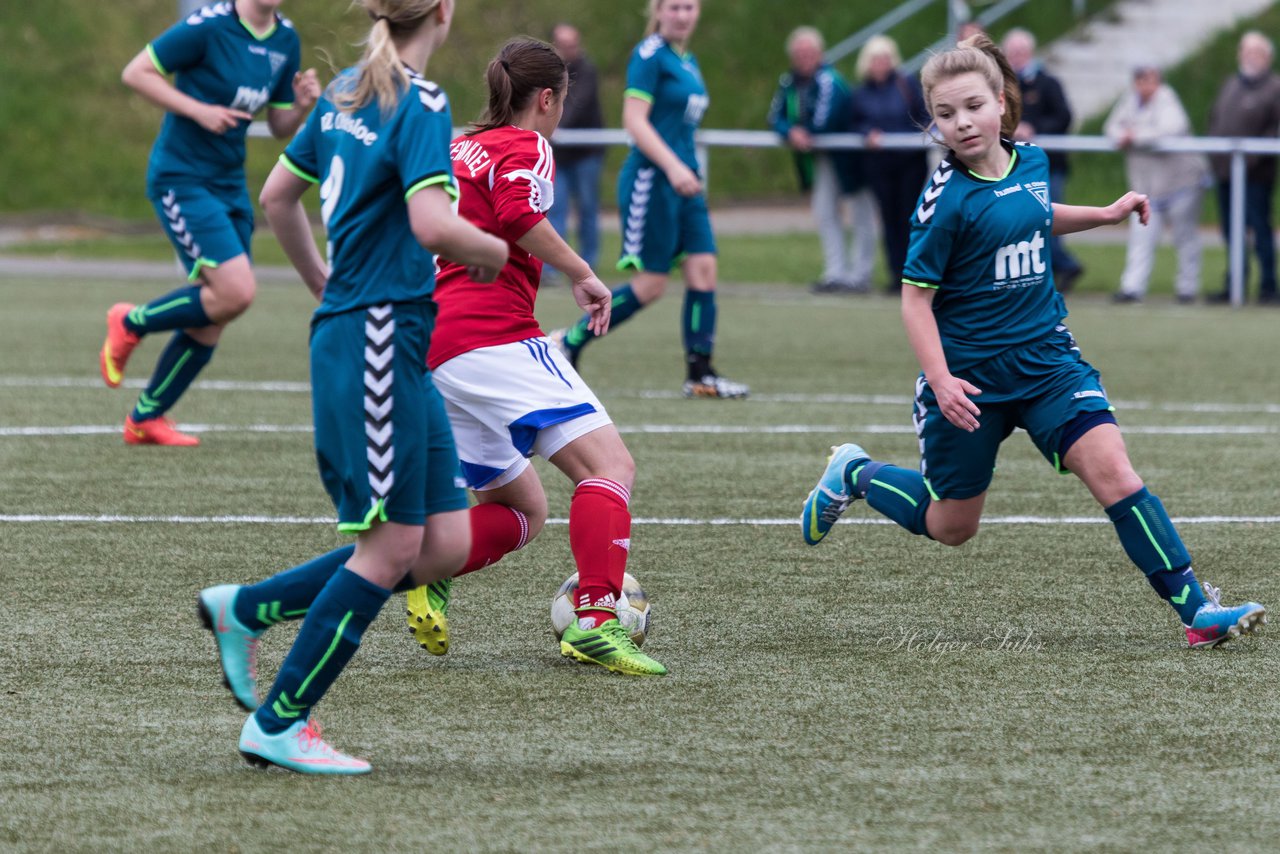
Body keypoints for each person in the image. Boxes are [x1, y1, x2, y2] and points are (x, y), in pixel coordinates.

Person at [800, 34, 1266, 650]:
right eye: (944, 114)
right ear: (934, 123)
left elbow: (1036, 212)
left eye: (971, 106)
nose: (960, 123)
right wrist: (940, 381)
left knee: (1116, 473)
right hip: (969, 378)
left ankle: (1197, 611)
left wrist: (1101, 213)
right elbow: (914, 299)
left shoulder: (1033, 160)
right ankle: (855, 472)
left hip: (1048, 361)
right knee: (951, 526)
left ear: (1000, 102)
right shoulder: (945, 199)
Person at [196, 0, 510, 774]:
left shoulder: (345, 89)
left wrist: (326, 287)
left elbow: (277, 197)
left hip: (383, 334)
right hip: (377, 333)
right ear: (443, 10)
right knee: (393, 543)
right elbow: (433, 224)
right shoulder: (420, 99)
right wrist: (490, 248)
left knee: (442, 546)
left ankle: (249, 609)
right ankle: (279, 720)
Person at [403, 37, 667, 677]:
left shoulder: (458, 145)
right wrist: (582, 271)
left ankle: (422, 570)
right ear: (546, 99)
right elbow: (520, 213)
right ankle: (600, 619)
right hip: (491, 334)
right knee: (610, 466)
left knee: (522, 510)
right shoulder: (528, 145)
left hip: (437, 346)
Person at [99, 0, 320, 446]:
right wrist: (196, 110)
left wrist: (300, 106)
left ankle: (146, 417)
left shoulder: (285, 39)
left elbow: (278, 125)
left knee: (217, 311)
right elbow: (136, 72)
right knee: (235, 291)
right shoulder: (208, 26)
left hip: (228, 183)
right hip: (181, 178)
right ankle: (131, 321)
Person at [552, 0, 748, 399]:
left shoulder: (687, 60)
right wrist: (673, 167)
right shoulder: (648, 56)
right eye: (673, 7)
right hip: (654, 179)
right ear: (657, 11)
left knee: (704, 270)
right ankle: (569, 341)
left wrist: (685, 170)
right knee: (653, 283)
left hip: (685, 181)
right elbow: (634, 121)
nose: (682, 14)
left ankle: (700, 373)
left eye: (689, 7)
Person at [768, 26, 877, 295]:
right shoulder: (788, 82)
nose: (804, 57)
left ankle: (860, 275)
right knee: (825, 212)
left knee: (861, 215)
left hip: (849, 157)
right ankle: (835, 272)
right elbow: (776, 116)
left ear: (819, 53)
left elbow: (823, 121)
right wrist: (791, 132)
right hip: (822, 159)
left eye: (809, 52)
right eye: (799, 52)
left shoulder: (831, 81)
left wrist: (805, 134)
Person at [1105, 64, 1209, 304]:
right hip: (1147, 188)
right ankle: (1132, 288)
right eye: (1140, 79)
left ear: (1158, 81)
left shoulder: (1167, 99)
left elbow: (1170, 129)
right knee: (1141, 238)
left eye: (1150, 79)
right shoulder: (1129, 101)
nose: (1145, 84)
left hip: (1181, 184)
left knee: (1184, 238)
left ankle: (1187, 288)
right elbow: (1111, 128)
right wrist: (1122, 136)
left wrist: (1134, 136)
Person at [1002, 28, 1084, 293]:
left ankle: (1064, 265)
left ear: (1030, 53)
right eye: (1011, 52)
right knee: (1025, 223)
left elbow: (1064, 117)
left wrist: (1033, 129)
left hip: (1049, 166)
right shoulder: (1003, 86)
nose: (1015, 57)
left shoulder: (1048, 83)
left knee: (1048, 219)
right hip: (1015, 166)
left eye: (1020, 52)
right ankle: (1055, 269)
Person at [850, 35, 930, 295]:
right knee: (888, 219)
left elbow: (923, 116)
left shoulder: (906, 85)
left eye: (885, 58)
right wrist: (867, 133)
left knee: (909, 218)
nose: (881, 63)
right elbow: (854, 121)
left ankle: (913, 275)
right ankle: (896, 274)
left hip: (910, 163)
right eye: (876, 59)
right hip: (880, 166)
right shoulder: (861, 93)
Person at [1207, 30, 1280, 304]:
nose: (1249, 57)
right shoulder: (1231, 84)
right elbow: (1215, 120)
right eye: (1245, 51)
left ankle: (1269, 286)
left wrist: (1249, 159)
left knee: (1260, 229)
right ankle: (1234, 283)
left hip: (1256, 175)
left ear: (1267, 57)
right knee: (1230, 230)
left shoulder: (1275, 88)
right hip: (1226, 173)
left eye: (1256, 52)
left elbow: (1275, 131)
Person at [545, 23, 605, 279]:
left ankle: (587, 263)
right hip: (559, 155)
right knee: (554, 206)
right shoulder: (548, 71)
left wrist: (556, 125)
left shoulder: (587, 70)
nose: (569, 50)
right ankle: (552, 268)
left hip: (586, 154)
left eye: (573, 45)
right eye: (564, 45)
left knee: (588, 208)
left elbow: (578, 103)